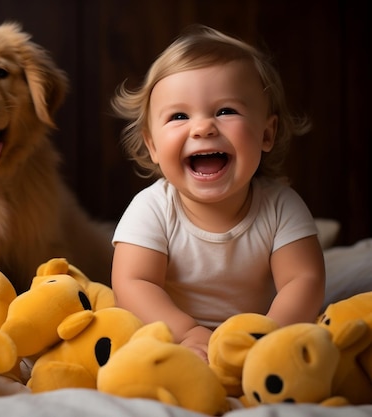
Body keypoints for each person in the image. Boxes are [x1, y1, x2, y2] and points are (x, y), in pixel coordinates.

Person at [110, 25, 325, 362]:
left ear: (266, 134)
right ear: (152, 145)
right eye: (179, 116)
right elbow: (132, 283)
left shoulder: (281, 205)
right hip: (172, 333)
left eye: (226, 111)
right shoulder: (152, 208)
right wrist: (187, 333)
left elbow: (304, 279)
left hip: (257, 333)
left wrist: (268, 336)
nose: (203, 127)